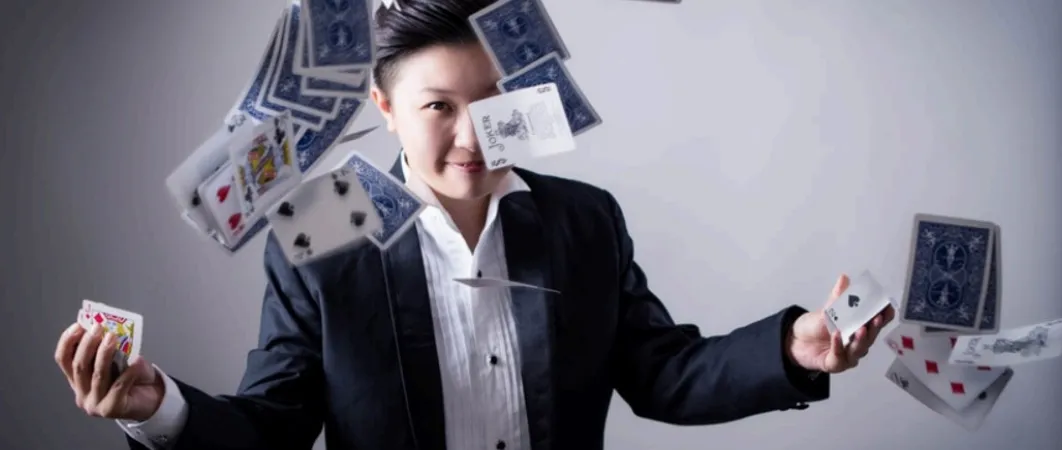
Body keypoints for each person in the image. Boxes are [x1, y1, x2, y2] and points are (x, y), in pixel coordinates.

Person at [54, 1, 895, 449]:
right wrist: (158, 409)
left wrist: (791, 351)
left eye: (496, 102)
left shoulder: (584, 221)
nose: (471, 135)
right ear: (383, 107)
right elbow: (274, 426)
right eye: (438, 107)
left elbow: (661, 375)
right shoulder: (319, 235)